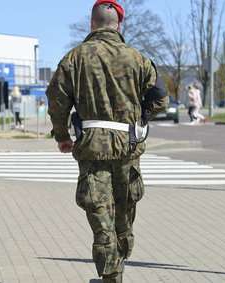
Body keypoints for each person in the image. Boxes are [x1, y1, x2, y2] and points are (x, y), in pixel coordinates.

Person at [46, 1, 169, 282]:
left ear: (92, 23)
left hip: (92, 150)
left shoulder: (73, 59)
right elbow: (161, 99)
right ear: (118, 24)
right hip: (128, 148)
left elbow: (57, 101)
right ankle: (120, 261)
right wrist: (140, 115)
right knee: (124, 219)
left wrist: (63, 137)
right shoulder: (138, 58)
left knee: (102, 222)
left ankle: (111, 275)